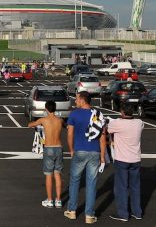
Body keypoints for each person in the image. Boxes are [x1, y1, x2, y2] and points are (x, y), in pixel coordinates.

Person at [64, 91, 107, 224]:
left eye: (76, 99)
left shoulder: (74, 114)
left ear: (82, 100)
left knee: (75, 181)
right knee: (91, 184)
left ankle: (72, 210)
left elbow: (70, 134)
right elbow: (103, 137)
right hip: (94, 152)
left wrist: (71, 149)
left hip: (79, 151)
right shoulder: (98, 115)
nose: (75, 101)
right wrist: (103, 157)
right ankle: (89, 215)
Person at [106, 104, 144, 222]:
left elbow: (106, 129)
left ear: (122, 112)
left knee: (121, 187)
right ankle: (137, 212)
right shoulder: (139, 123)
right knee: (135, 187)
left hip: (122, 159)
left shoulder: (118, 123)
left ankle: (123, 214)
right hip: (136, 159)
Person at [28, 100, 65, 208]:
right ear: (55, 108)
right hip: (59, 148)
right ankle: (58, 200)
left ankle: (49, 200)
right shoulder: (60, 120)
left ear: (46, 109)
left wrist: (33, 124)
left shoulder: (43, 120)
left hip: (48, 148)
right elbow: (67, 126)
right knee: (57, 174)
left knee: (48, 175)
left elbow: (30, 124)